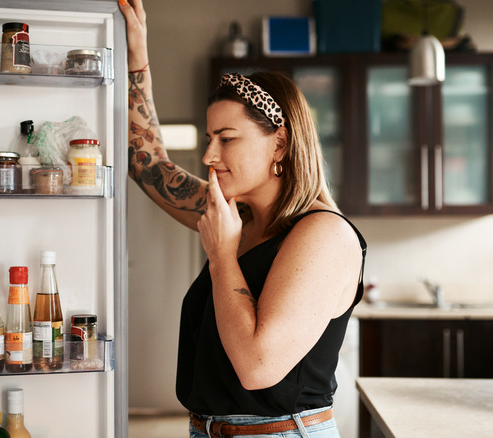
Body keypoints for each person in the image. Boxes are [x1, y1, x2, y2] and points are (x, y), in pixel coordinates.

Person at [118, 1, 367, 437]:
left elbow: (257, 367)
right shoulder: (238, 216)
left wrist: (222, 256)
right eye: (210, 137)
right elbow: (149, 166)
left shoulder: (324, 234)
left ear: (281, 144)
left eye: (227, 138)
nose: (208, 155)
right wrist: (137, 58)